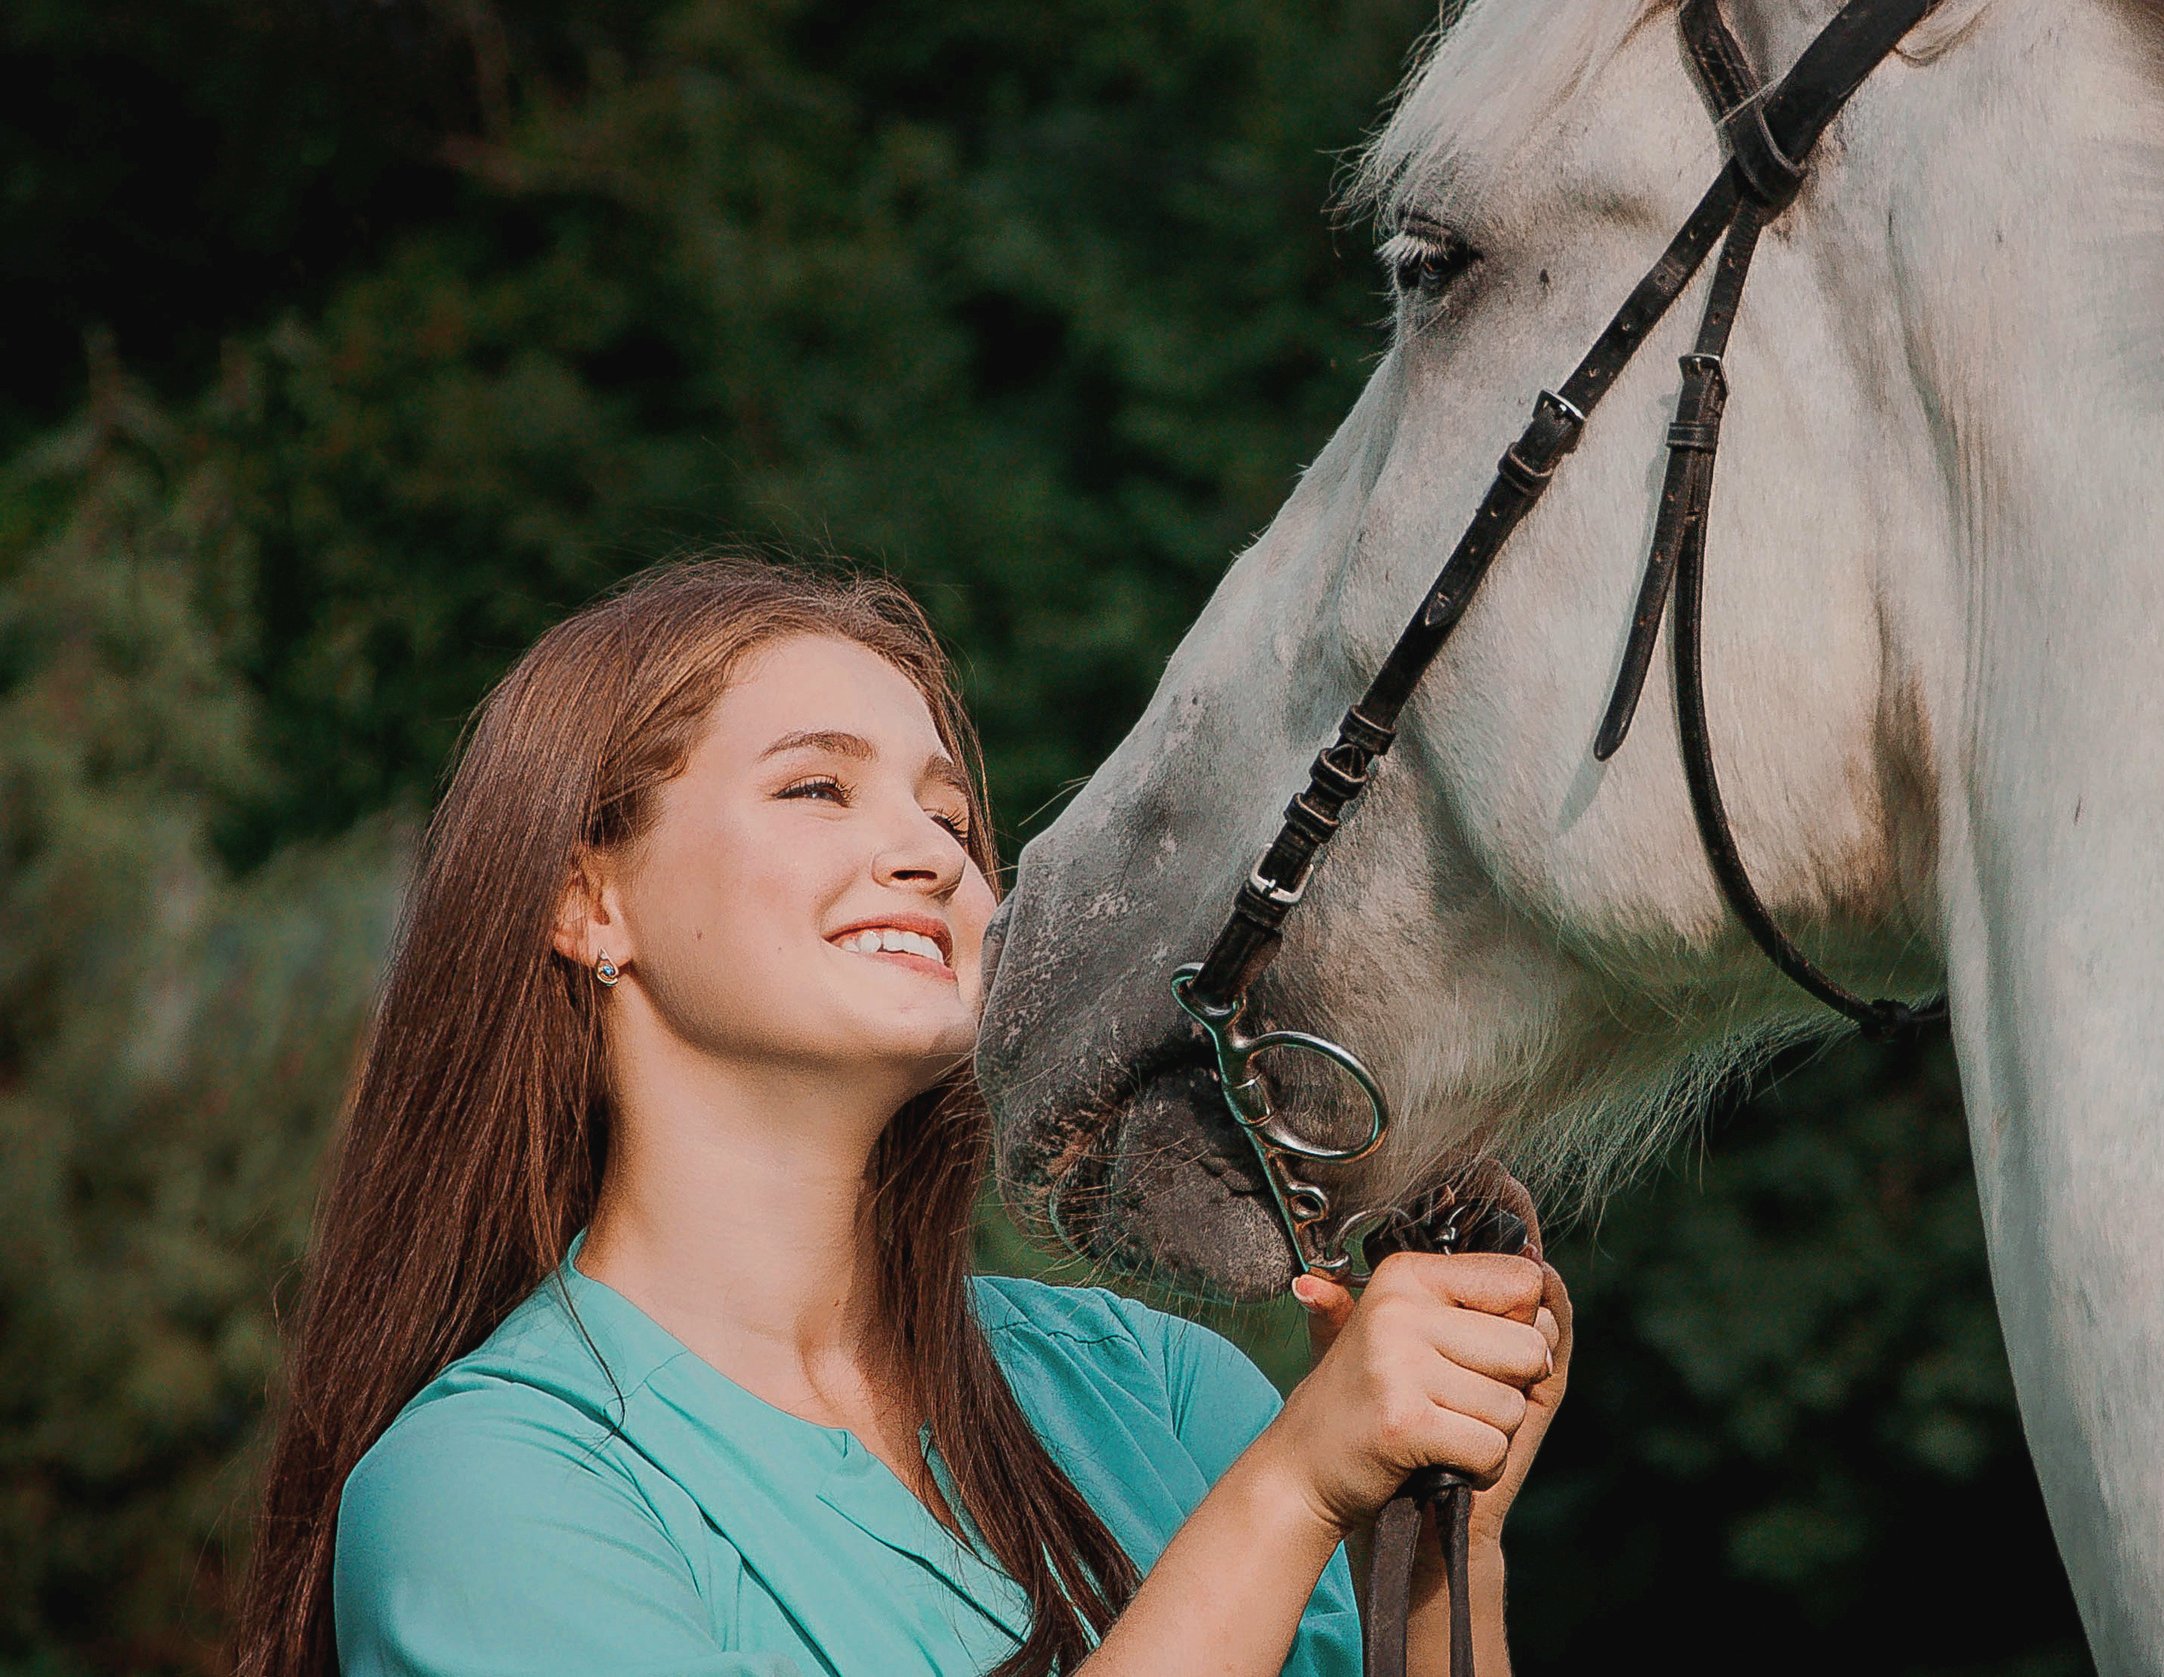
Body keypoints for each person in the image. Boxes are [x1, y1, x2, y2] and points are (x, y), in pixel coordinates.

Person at [233, 558, 1570, 1677]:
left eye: (949, 811)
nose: (933, 853)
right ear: (590, 900)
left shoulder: (1158, 1392)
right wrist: (1290, 1494)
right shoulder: (487, 1493)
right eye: (819, 788)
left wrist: (1447, 1540)